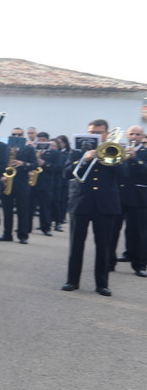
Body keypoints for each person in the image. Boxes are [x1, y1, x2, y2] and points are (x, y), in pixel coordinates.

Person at [62, 119, 128, 296]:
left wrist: (113, 159)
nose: (95, 135)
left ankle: (102, 284)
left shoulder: (115, 150)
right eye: (92, 132)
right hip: (80, 202)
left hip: (106, 205)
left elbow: (124, 175)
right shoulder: (77, 151)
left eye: (99, 132)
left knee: (104, 246)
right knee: (76, 244)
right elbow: (67, 173)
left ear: (106, 134)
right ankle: (72, 280)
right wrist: (85, 159)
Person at [0, 128, 37, 244]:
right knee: (7, 210)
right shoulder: (6, 148)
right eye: (14, 134)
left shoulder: (29, 149)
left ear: (23, 136)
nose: (16, 136)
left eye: (19, 134)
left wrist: (23, 164)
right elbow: (1, 164)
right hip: (7, 183)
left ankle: (23, 235)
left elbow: (34, 165)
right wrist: (2, 176)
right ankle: (7, 234)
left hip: (22, 184)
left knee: (23, 210)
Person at [119, 125, 146, 277]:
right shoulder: (118, 149)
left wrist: (135, 158)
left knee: (139, 232)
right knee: (114, 231)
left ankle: (140, 265)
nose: (134, 136)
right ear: (126, 136)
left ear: (143, 136)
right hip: (119, 195)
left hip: (139, 197)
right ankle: (110, 263)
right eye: (131, 134)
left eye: (138, 134)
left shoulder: (144, 152)